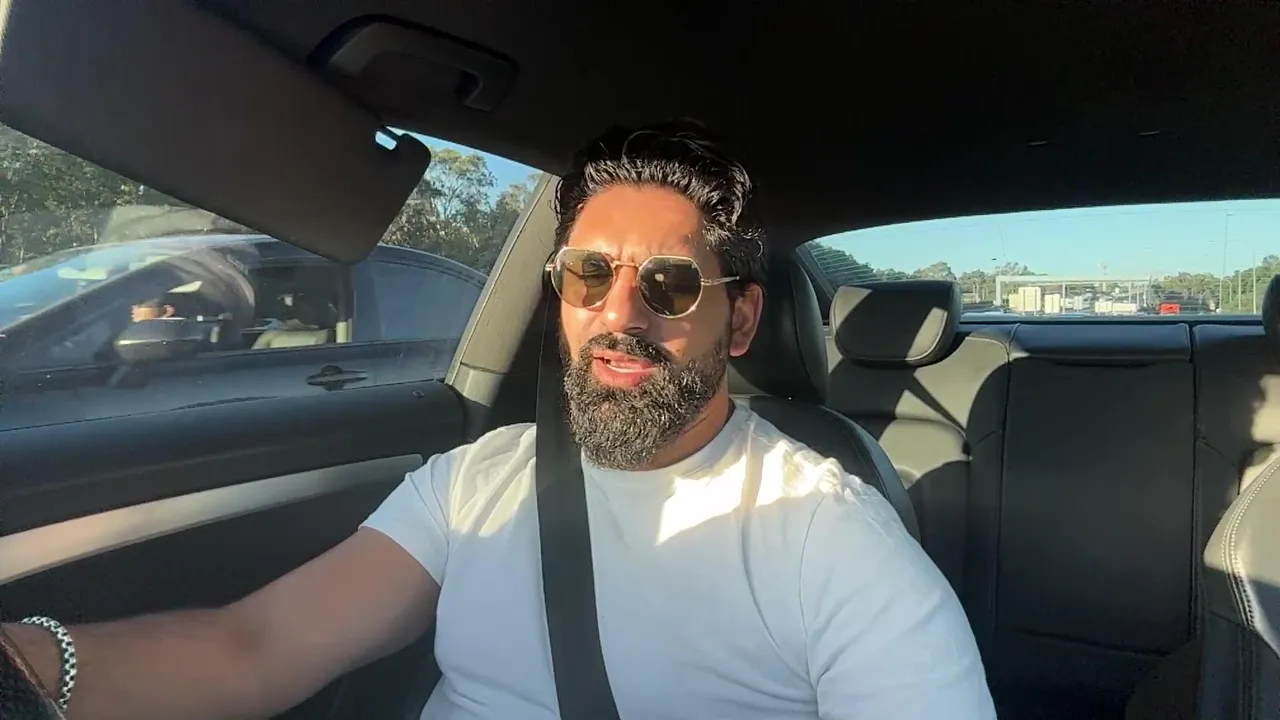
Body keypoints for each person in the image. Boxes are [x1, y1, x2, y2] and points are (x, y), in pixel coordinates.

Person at [2, 122, 996, 719]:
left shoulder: (827, 536)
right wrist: (25, 669)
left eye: (668, 284)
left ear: (738, 320)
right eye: (588, 275)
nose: (619, 314)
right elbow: (253, 648)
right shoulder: (478, 481)